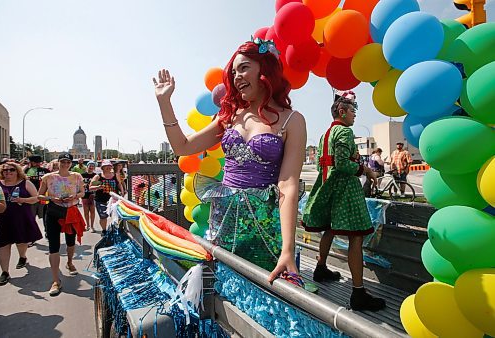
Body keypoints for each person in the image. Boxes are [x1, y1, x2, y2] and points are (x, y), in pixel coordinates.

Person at [153, 39, 306, 284]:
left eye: (244, 68)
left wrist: (288, 248)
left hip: (265, 230)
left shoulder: (293, 121)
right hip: (223, 223)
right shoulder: (230, 116)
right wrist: (164, 103)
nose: (237, 77)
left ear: (265, 69)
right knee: (223, 286)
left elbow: (287, 185)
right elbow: (182, 146)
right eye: (234, 72)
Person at [301, 93, 386, 311]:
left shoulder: (325, 135)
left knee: (329, 229)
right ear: (342, 112)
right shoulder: (345, 132)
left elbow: (328, 164)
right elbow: (342, 164)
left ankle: (320, 268)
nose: (355, 116)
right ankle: (358, 293)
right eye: (353, 112)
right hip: (346, 191)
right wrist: (365, 170)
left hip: (328, 188)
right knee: (356, 237)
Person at [38, 153, 85, 296]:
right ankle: (55, 280)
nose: (65, 164)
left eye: (68, 162)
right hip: (53, 212)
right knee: (54, 245)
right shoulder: (48, 177)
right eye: (63, 161)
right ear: (58, 162)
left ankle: (70, 262)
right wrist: (53, 198)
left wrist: (75, 196)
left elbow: (82, 192)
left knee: (71, 242)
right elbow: (40, 195)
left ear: (71, 163)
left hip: (70, 212)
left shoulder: (77, 176)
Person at [0, 162, 42, 286]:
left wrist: (23, 200)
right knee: (3, 245)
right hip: (2, 219)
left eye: (11, 170)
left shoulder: (25, 183)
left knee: (21, 242)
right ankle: (4, 272)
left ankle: (22, 256)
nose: (8, 172)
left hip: (21, 218)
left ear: (17, 171)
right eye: (5, 170)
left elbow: (36, 198)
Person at [89, 160, 124, 235]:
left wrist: (122, 192)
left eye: (109, 166)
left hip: (113, 200)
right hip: (101, 200)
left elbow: (119, 184)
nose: (108, 167)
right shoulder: (98, 176)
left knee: (115, 216)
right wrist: (98, 187)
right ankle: (104, 230)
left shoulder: (115, 175)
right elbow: (91, 187)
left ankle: (114, 230)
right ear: (103, 167)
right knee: (103, 217)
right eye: (106, 166)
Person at [24, 155, 50, 221]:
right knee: (45, 215)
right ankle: (47, 230)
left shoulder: (28, 170)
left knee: (32, 217)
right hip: (41, 195)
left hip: (33, 196)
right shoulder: (46, 170)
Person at [81, 161, 97, 232]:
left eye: (93, 166)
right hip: (85, 194)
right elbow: (79, 184)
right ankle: (87, 225)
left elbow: (97, 185)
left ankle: (92, 226)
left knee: (92, 211)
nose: (91, 167)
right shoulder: (82, 175)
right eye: (90, 166)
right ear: (87, 166)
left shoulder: (95, 175)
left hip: (93, 194)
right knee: (86, 211)